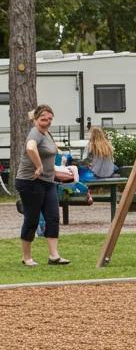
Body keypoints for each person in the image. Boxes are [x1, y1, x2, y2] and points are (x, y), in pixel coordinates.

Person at [14, 104, 71, 267]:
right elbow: (30, 148)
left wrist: (57, 172)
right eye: (43, 119)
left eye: (49, 119)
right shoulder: (35, 133)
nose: (47, 122)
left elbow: (49, 158)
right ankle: (27, 257)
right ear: (36, 120)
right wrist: (39, 166)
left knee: (53, 217)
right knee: (32, 219)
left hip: (48, 181)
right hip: (30, 181)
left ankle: (54, 256)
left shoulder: (47, 133)